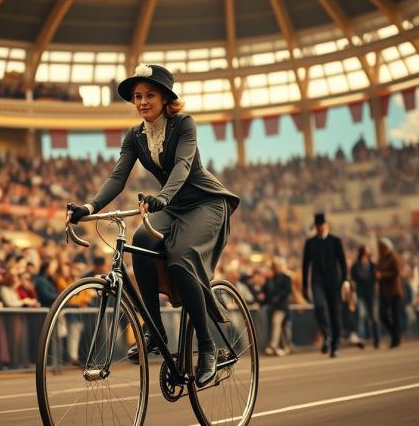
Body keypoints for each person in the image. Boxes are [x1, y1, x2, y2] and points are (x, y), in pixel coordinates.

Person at [67, 63, 240, 388]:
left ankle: (206, 348)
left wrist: (163, 196)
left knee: (180, 257)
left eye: (149, 95)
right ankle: (154, 330)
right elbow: (118, 177)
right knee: (142, 239)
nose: (142, 101)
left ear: (165, 98)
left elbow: (183, 166)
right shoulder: (134, 136)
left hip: (205, 202)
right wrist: (88, 207)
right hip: (171, 204)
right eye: (137, 96)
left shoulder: (184, 124)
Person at [301, 213, 348, 358]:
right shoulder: (310, 243)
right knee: (320, 307)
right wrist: (305, 285)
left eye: (321, 225)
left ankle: (335, 344)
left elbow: (343, 262)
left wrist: (345, 281)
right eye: (317, 226)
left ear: (326, 225)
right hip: (317, 280)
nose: (320, 228)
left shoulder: (335, 241)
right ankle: (326, 335)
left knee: (335, 312)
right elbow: (305, 265)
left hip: (334, 281)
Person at [376, 238, 403, 349]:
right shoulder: (381, 259)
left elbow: (397, 272)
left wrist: (383, 275)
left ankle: (395, 339)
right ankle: (394, 334)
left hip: (394, 290)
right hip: (384, 291)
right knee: (383, 314)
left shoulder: (393, 257)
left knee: (395, 315)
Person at [351, 245, 379, 348]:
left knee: (374, 318)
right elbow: (353, 280)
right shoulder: (356, 266)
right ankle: (361, 338)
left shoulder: (372, 265)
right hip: (361, 294)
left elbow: (376, 278)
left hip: (372, 294)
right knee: (361, 316)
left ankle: (376, 339)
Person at [264, 258, 292, 357]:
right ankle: (287, 346)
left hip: (282, 306)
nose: (275, 268)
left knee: (277, 323)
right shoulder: (271, 279)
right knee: (282, 327)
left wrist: (278, 297)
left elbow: (288, 290)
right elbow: (267, 292)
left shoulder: (285, 277)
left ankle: (273, 346)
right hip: (274, 307)